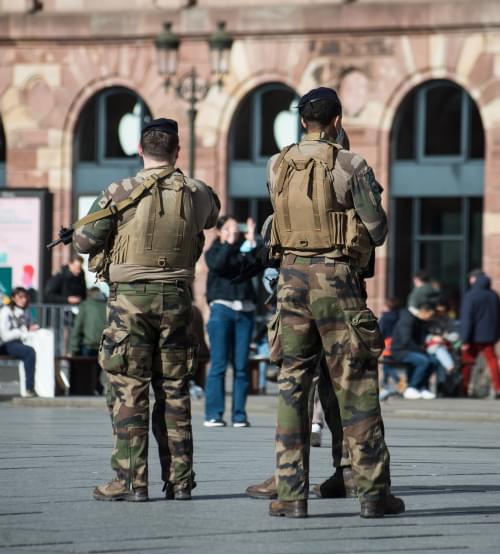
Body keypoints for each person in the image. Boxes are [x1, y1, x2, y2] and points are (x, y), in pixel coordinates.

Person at [264, 86, 404, 519]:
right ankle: (373, 494)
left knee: (293, 383)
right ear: (338, 122)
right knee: (354, 382)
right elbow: (377, 229)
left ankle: (290, 495)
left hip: (290, 280)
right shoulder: (351, 164)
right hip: (336, 279)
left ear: (302, 122)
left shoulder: (277, 164)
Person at [73, 117, 220, 502]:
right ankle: (181, 481)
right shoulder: (197, 191)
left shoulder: (119, 190)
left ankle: (130, 482)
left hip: (129, 303)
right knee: (174, 390)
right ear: (176, 152)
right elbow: (212, 216)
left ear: (140, 150)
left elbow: (84, 241)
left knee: (129, 389)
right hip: (176, 298)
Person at [203, 216, 259, 427]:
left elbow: (255, 264)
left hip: (245, 311)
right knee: (218, 364)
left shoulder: (243, 250)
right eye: (228, 229)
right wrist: (226, 243)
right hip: (221, 310)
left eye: (236, 229)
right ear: (218, 231)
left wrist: (252, 240)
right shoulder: (214, 251)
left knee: (242, 366)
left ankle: (239, 415)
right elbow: (219, 266)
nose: (233, 233)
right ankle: (213, 414)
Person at [459, 270, 500, 398]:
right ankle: (498, 387)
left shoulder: (471, 295)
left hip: (473, 337)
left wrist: (464, 339)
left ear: (474, 279)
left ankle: (464, 388)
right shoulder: (493, 295)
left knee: (467, 362)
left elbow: (467, 319)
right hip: (489, 336)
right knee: (492, 361)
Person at [390, 303, 442, 400]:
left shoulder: (421, 321)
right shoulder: (407, 320)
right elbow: (406, 341)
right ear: (423, 312)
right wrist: (421, 350)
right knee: (423, 361)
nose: (431, 318)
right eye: (430, 315)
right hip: (400, 350)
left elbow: (421, 339)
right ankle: (412, 387)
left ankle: (421, 387)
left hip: (413, 350)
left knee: (434, 362)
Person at [69, 287, 107, 394]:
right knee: (98, 368)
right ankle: (97, 386)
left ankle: (90, 387)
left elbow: (78, 327)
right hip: (104, 343)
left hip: (88, 343)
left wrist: (73, 347)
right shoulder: (107, 304)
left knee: (86, 369)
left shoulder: (85, 305)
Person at [0, 287, 37, 397]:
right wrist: (21, 332)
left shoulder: (27, 311)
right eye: (20, 297)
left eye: (25, 297)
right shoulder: (6, 312)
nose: (23, 300)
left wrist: (30, 330)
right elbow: (5, 335)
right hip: (7, 344)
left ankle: (34, 387)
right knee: (29, 352)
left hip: (21, 342)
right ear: (13, 298)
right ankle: (29, 388)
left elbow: (28, 327)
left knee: (34, 351)